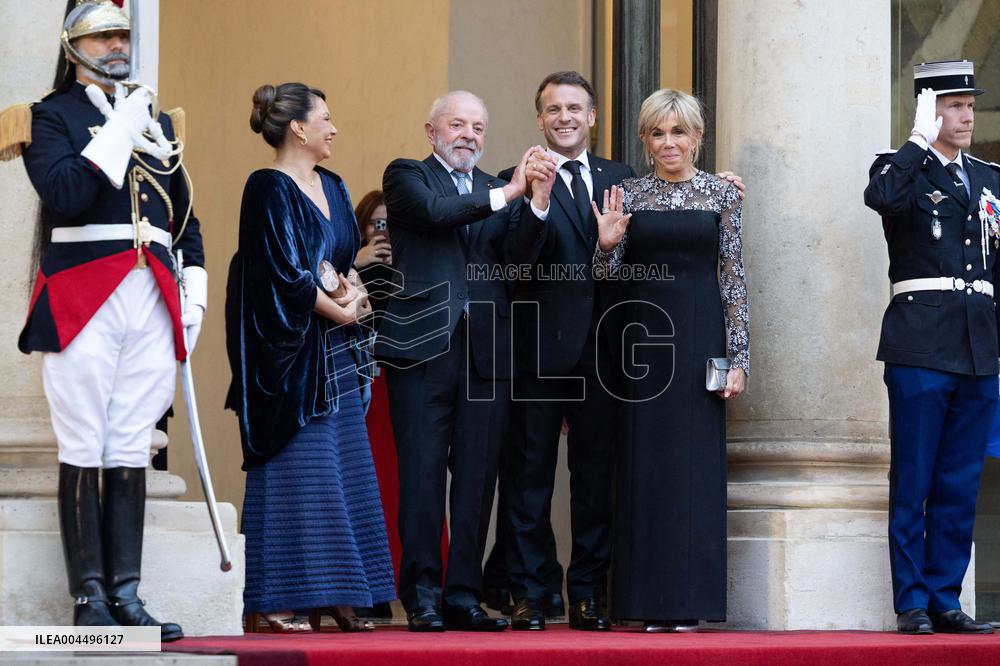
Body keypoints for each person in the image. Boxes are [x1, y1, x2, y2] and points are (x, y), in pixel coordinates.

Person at [0, 0, 205, 640]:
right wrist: (121, 126)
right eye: (102, 35)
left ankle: (128, 595)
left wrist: (192, 293)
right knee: (84, 440)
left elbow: (185, 217)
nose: (117, 45)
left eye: (122, 33)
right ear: (73, 46)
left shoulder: (154, 119)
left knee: (129, 443)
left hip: (152, 293)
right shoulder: (45, 117)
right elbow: (66, 194)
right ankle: (88, 600)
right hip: (86, 291)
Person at [225, 82, 395, 633]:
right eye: (325, 117)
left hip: (338, 351)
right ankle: (279, 601)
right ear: (298, 127)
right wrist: (341, 311)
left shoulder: (337, 185)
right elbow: (282, 272)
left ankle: (342, 593)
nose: (333, 127)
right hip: (290, 355)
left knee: (345, 465)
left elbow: (342, 259)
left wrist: (356, 294)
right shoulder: (266, 187)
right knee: (300, 469)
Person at [377, 90, 537, 632]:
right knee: (421, 477)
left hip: (487, 353)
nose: (468, 134)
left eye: (478, 127)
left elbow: (520, 257)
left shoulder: (501, 189)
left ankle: (462, 595)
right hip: (423, 348)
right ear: (432, 131)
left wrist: (534, 202)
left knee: (476, 482)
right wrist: (508, 195)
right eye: (457, 124)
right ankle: (421, 594)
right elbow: (433, 214)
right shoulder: (406, 176)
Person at [593, 88, 748, 632]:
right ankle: (645, 604)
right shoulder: (628, 195)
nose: (668, 143)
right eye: (657, 133)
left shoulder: (722, 195)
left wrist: (739, 357)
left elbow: (732, 280)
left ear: (697, 137)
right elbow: (607, 281)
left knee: (695, 470)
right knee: (645, 468)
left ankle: (690, 603)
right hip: (645, 346)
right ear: (644, 139)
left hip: (703, 338)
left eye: (678, 132)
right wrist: (606, 244)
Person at [864, 60, 999, 635]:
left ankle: (946, 596)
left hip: (979, 348)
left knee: (959, 483)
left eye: (969, 105)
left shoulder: (991, 177)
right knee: (914, 480)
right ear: (928, 109)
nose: (966, 116)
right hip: (920, 346)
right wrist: (918, 137)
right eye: (952, 105)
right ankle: (912, 601)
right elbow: (882, 198)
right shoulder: (902, 169)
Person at [497, 71, 634, 631]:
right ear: (539, 120)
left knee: (593, 482)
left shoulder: (618, 177)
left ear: (593, 117)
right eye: (553, 110)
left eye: (575, 108)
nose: (565, 118)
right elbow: (514, 264)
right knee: (530, 479)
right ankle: (531, 593)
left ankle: (587, 596)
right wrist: (539, 199)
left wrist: (718, 187)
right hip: (538, 351)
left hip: (600, 354)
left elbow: (638, 259)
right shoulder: (520, 177)